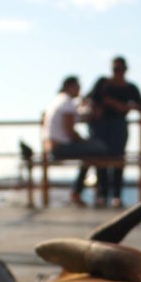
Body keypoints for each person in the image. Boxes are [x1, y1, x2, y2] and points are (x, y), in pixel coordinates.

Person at [42, 75, 109, 207]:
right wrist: (84, 141)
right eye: (78, 87)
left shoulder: (58, 100)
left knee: (91, 154)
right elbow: (70, 131)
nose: (79, 90)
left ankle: (78, 192)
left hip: (53, 145)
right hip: (60, 147)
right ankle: (101, 195)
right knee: (100, 149)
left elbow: (72, 122)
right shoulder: (66, 102)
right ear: (70, 86)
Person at [88, 56, 141, 208]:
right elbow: (90, 99)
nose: (117, 72)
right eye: (115, 69)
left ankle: (117, 196)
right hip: (100, 126)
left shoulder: (130, 87)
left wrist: (126, 107)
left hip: (119, 125)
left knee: (118, 159)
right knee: (101, 160)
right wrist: (108, 104)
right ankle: (102, 195)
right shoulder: (102, 83)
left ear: (125, 70)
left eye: (120, 69)